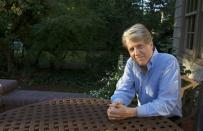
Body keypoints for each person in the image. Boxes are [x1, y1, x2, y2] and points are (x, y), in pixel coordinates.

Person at [107, 23, 182, 120]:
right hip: (143, 116)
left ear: (151, 44)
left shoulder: (168, 62)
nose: (136, 53)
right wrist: (117, 104)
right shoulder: (132, 63)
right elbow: (124, 89)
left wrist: (131, 112)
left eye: (140, 46)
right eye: (131, 49)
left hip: (168, 119)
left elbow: (166, 104)